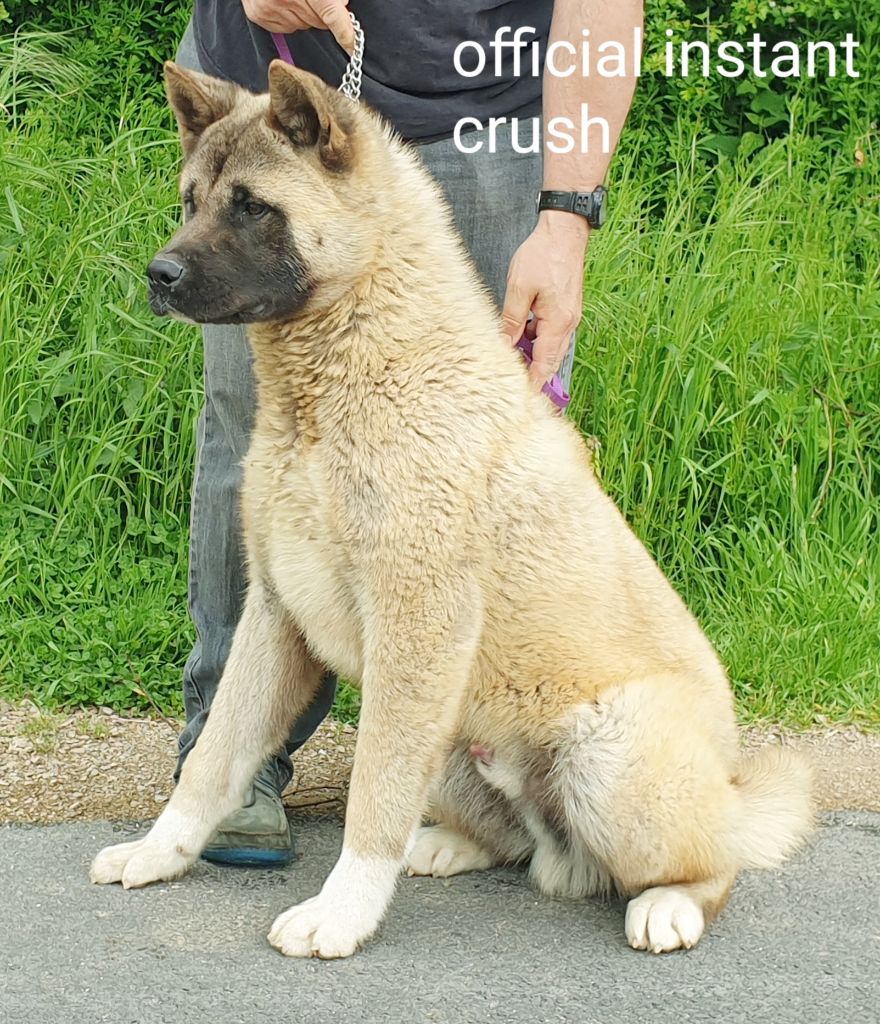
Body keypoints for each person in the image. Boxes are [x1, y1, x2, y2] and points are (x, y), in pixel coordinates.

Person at [174, 0, 642, 865]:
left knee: (486, 466)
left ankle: (502, 782)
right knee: (257, 441)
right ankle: (234, 762)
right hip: (261, 111)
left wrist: (567, 216)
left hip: (487, 118)